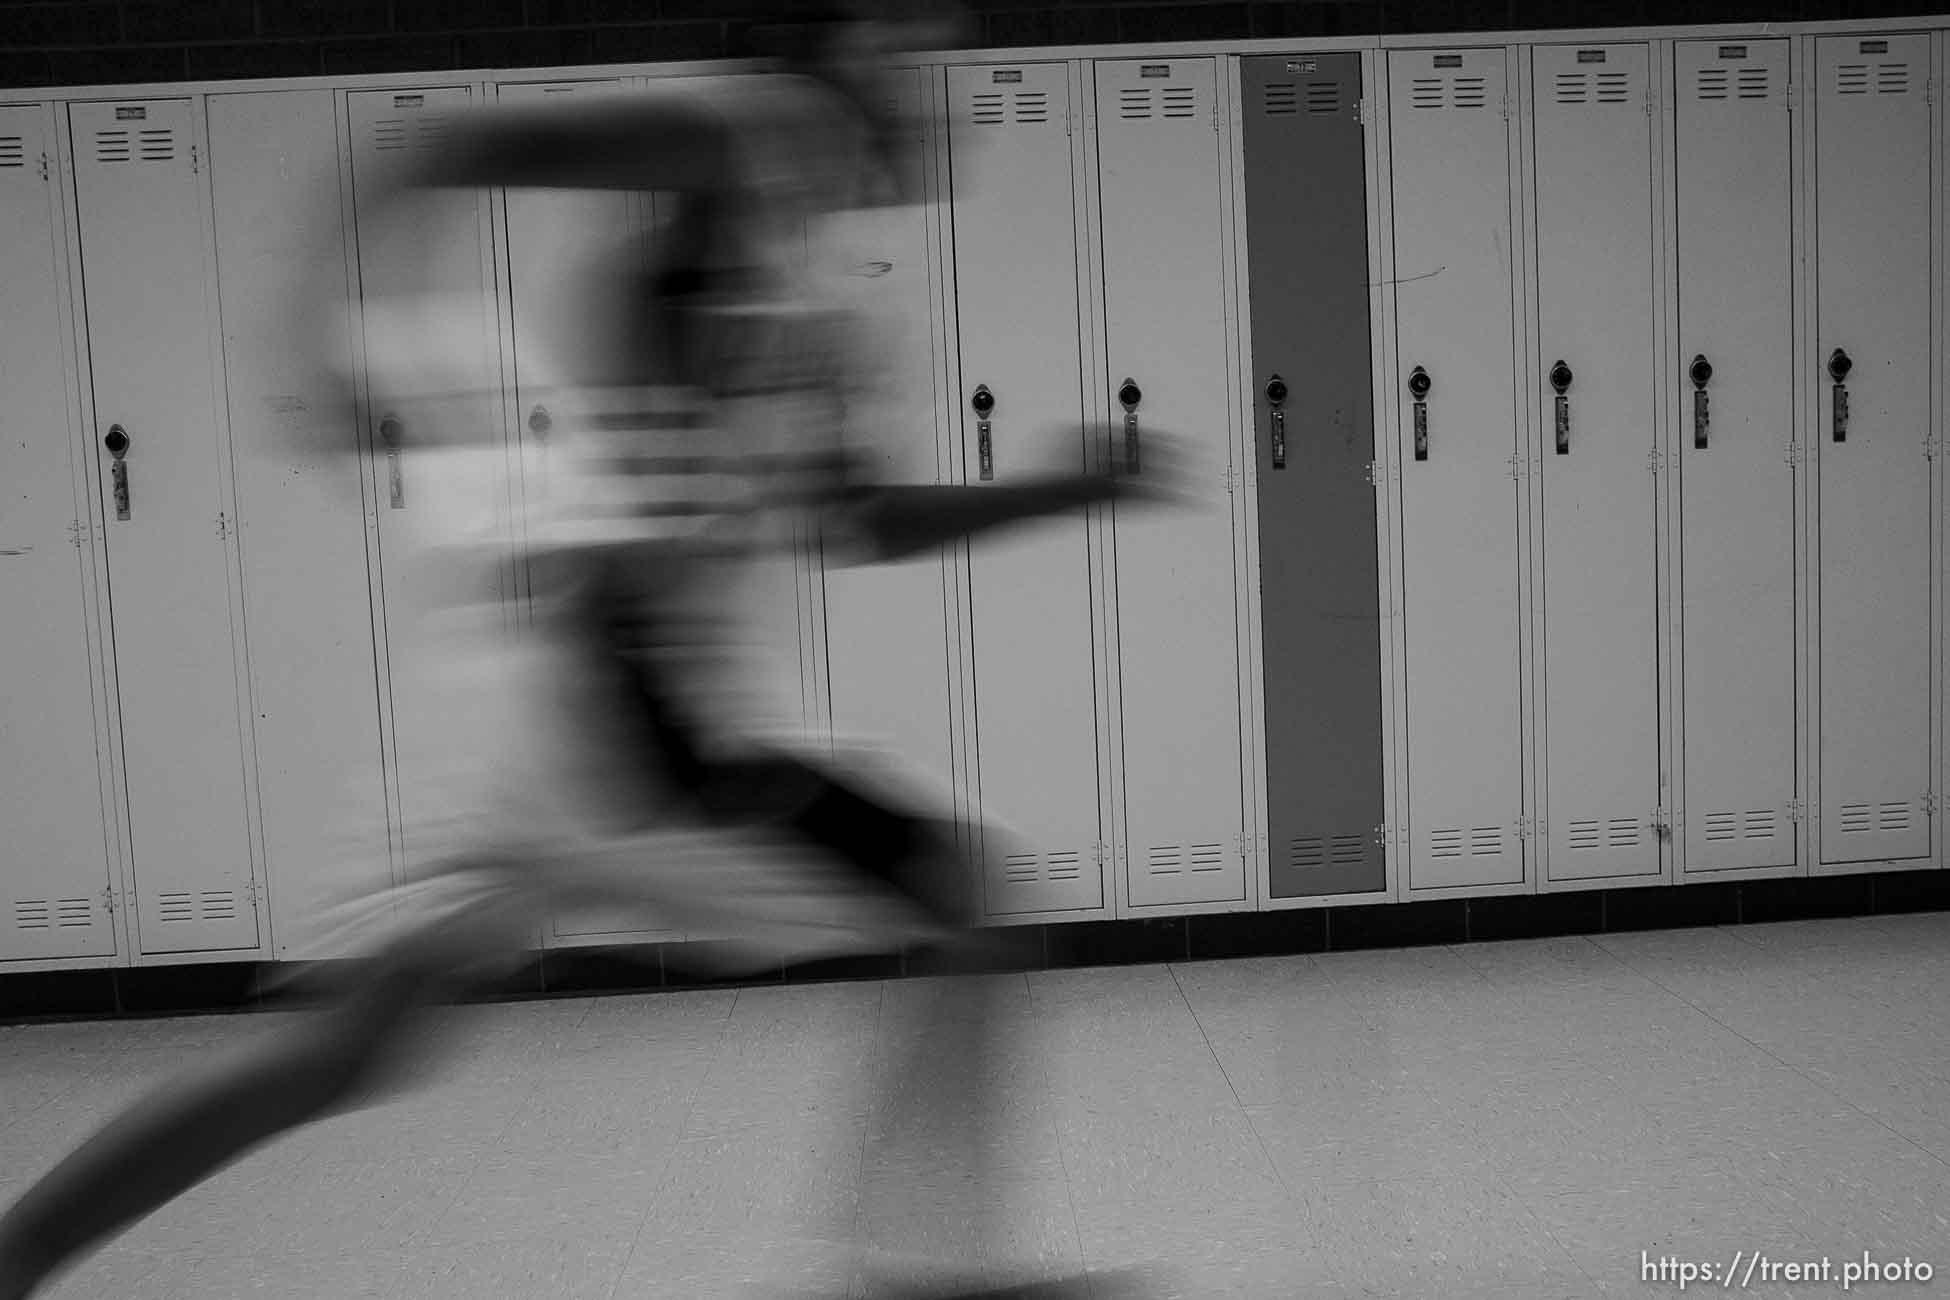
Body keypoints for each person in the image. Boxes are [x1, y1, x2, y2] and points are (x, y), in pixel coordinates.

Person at [0, 8, 1189, 1298]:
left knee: (345, 1054)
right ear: (833, 56)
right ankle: (917, 1266)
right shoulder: (740, 140)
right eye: (913, 57)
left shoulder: (806, 282)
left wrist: (1071, 493)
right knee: (958, 887)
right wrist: (334, 341)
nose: (938, 96)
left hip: (548, 696)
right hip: (620, 713)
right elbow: (440, 151)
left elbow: (859, 523)